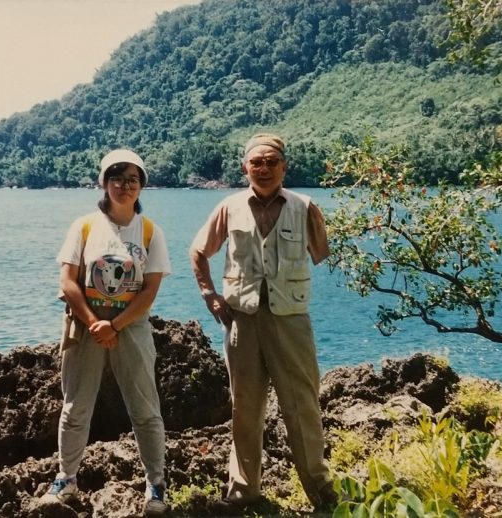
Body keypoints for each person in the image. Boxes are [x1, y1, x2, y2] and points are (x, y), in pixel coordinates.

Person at [188, 134, 339, 511]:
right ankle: (243, 492)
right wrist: (210, 294)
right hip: (243, 321)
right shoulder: (230, 207)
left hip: (291, 320)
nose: (265, 168)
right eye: (257, 162)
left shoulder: (305, 207)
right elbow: (198, 251)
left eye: (272, 161)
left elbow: (321, 254)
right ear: (245, 168)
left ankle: (322, 491)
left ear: (284, 167)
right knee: (244, 408)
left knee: (302, 405)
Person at [42, 149, 171, 515]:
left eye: (133, 179)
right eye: (117, 178)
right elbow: (67, 281)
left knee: (145, 409)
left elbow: (149, 290)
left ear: (141, 185)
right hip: (84, 328)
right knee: (75, 407)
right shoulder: (84, 226)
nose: (125, 186)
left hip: (130, 328)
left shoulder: (149, 232)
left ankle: (156, 485)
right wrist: (94, 322)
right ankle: (66, 478)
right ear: (104, 182)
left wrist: (114, 325)